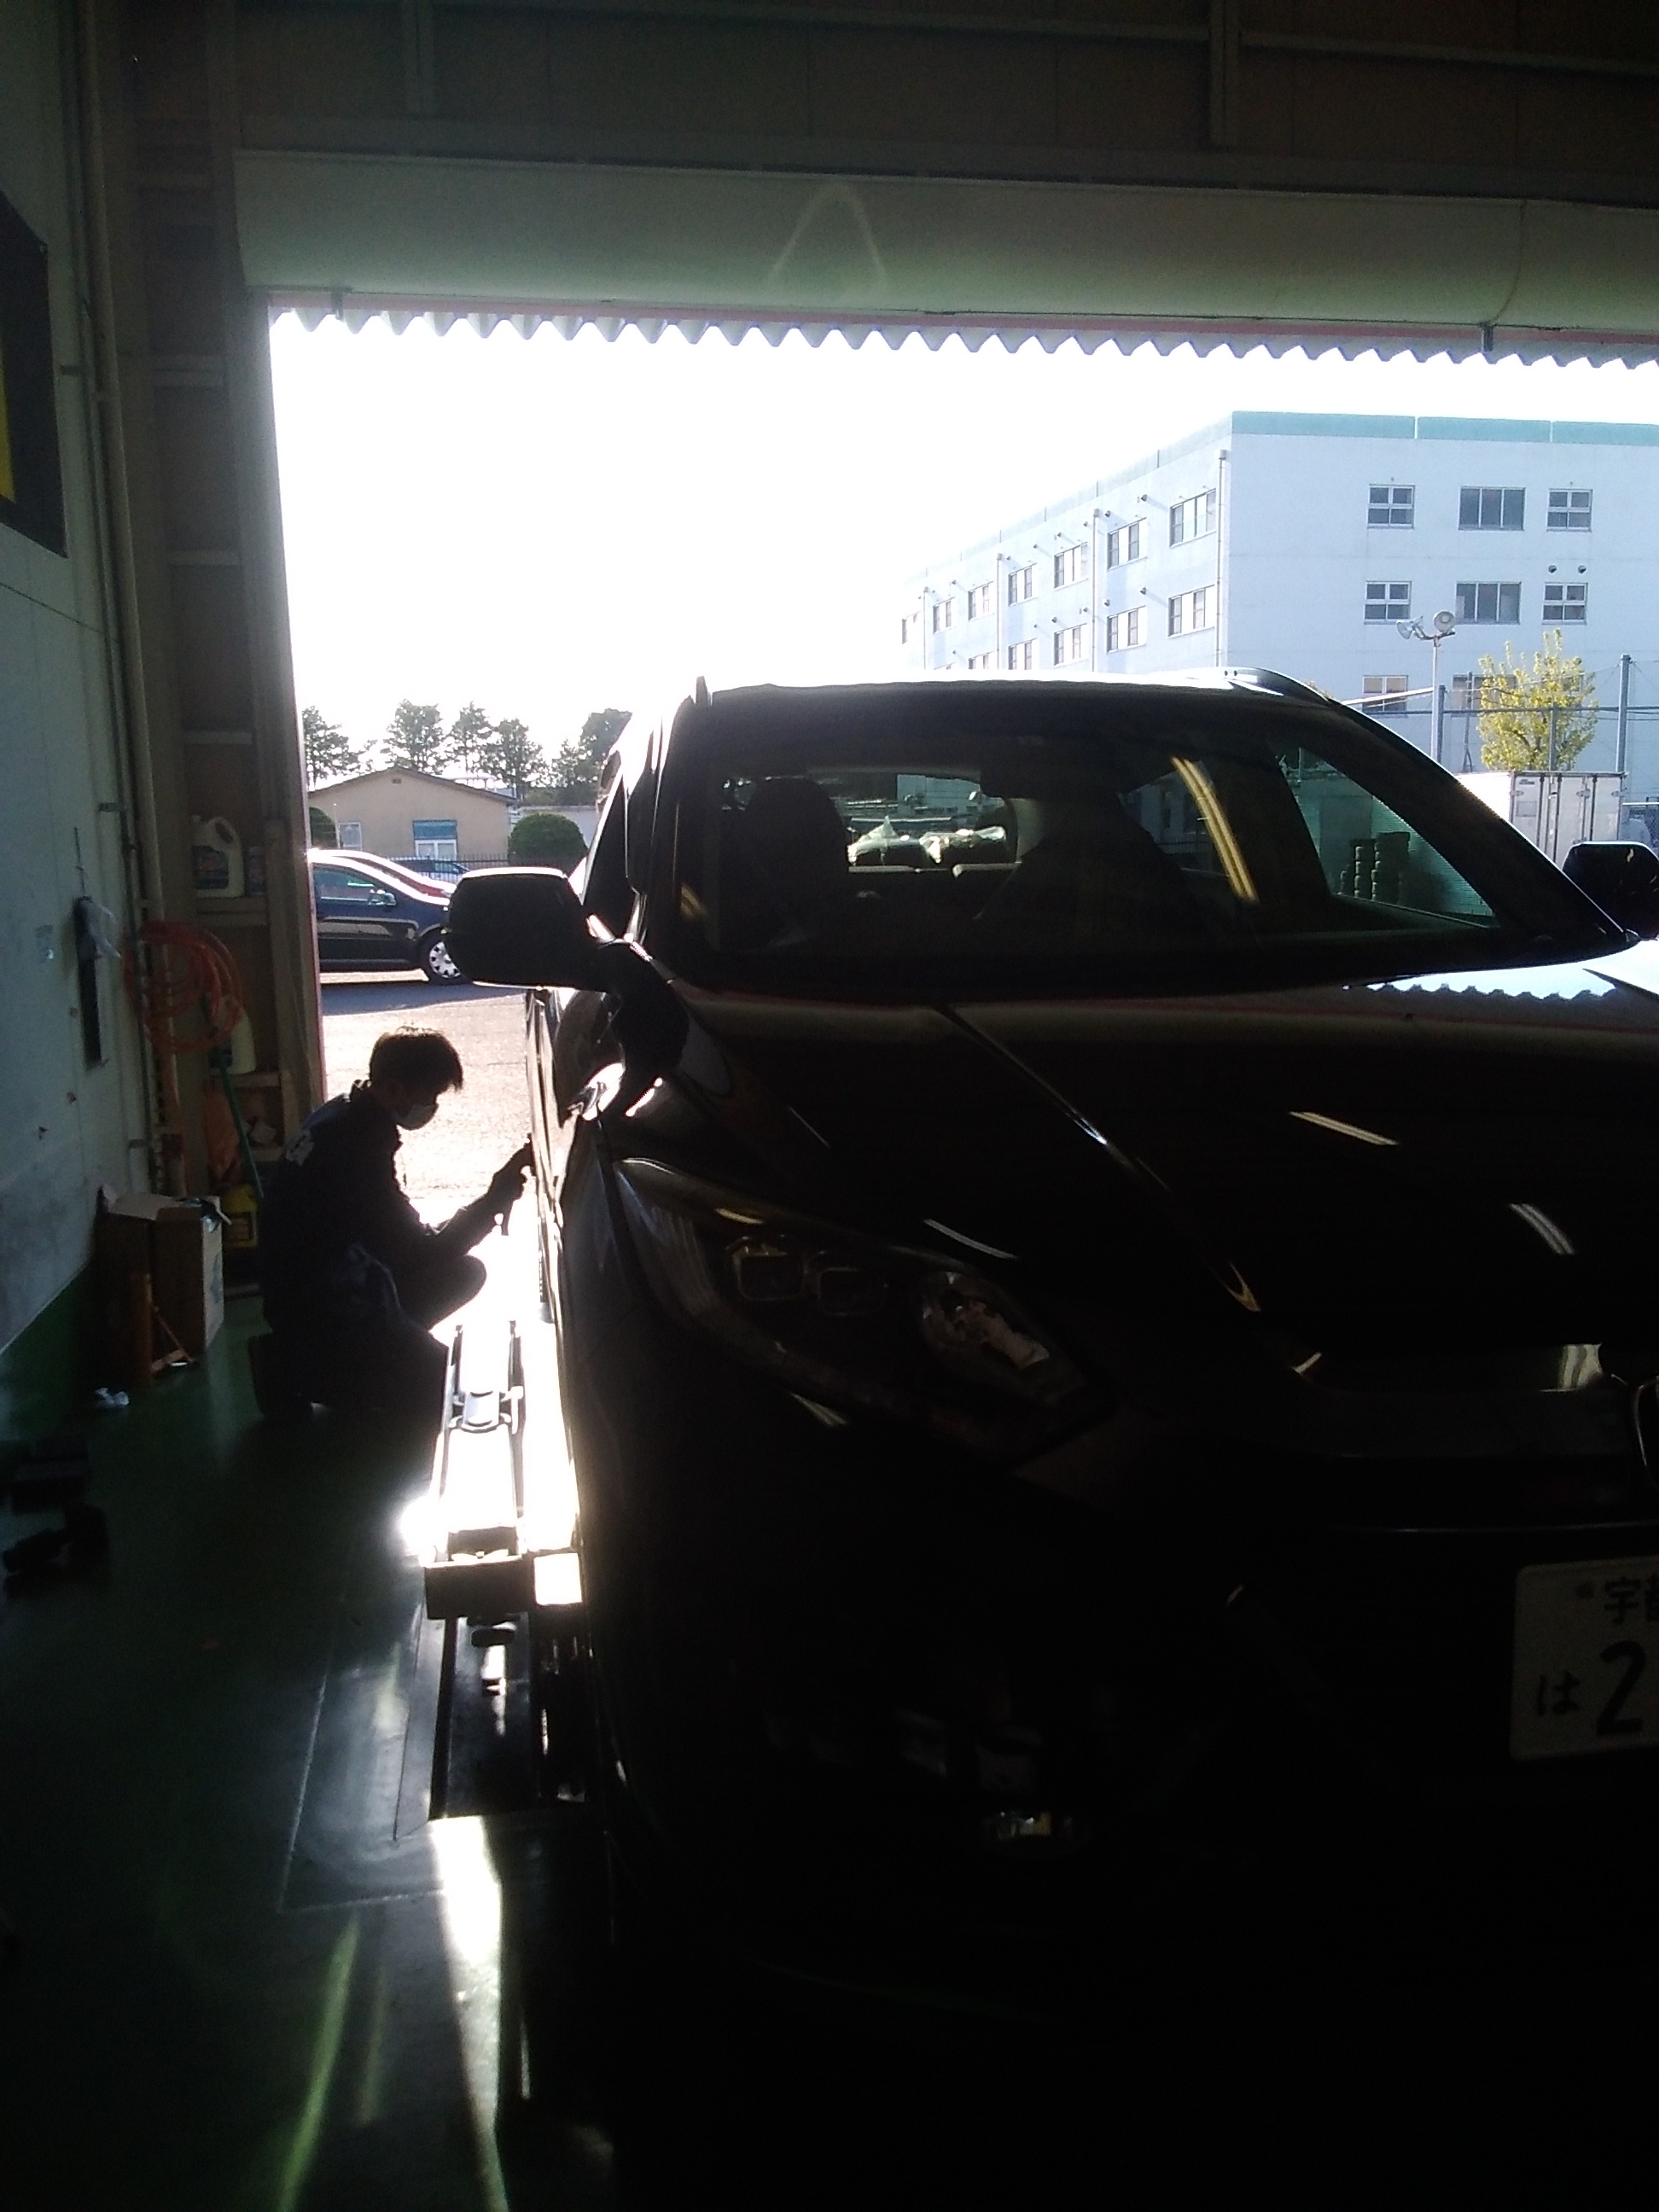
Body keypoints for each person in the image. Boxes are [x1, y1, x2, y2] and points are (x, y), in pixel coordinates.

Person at [248, 1027, 531, 1423]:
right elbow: (418, 1251)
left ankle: (347, 1353)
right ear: (395, 1088)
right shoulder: (356, 1149)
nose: (431, 1107)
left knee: (464, 1273)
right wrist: (493, 1201)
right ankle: (298, 1366)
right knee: (443, 1389)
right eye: (429, 1097)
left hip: (317, 1282)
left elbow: (404, 1241)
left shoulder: (344, 1111)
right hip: (328, 1304)